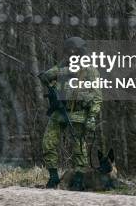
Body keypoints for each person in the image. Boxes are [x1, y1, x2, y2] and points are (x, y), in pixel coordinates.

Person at [38, 36, 102, 191]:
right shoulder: (61, 66)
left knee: (79, 148)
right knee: (48, 143)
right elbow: (46, 76)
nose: (70, 55)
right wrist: (59, 72)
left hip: (79, 113)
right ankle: (53, 177)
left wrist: (92, 117)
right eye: (68, 52)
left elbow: (97, 96)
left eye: (72, 51)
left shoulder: (90, 71)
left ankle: (79, 179)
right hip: (60, 112)